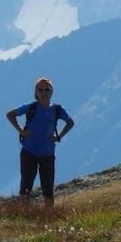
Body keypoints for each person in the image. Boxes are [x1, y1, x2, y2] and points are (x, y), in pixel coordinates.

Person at [6, 77, 74, 206]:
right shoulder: (30, 107)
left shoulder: (57, 109)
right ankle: (24, 213)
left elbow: (70, 122)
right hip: (29, 152)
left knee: (48, 189)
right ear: (36, 92)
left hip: (47, 154)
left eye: (47, 89)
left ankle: (48, 214)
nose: (44, 92)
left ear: (51, 92)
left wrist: (58, 136)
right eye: (40, 89)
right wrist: (21, 131)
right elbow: (10, 114)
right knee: (26, 187)